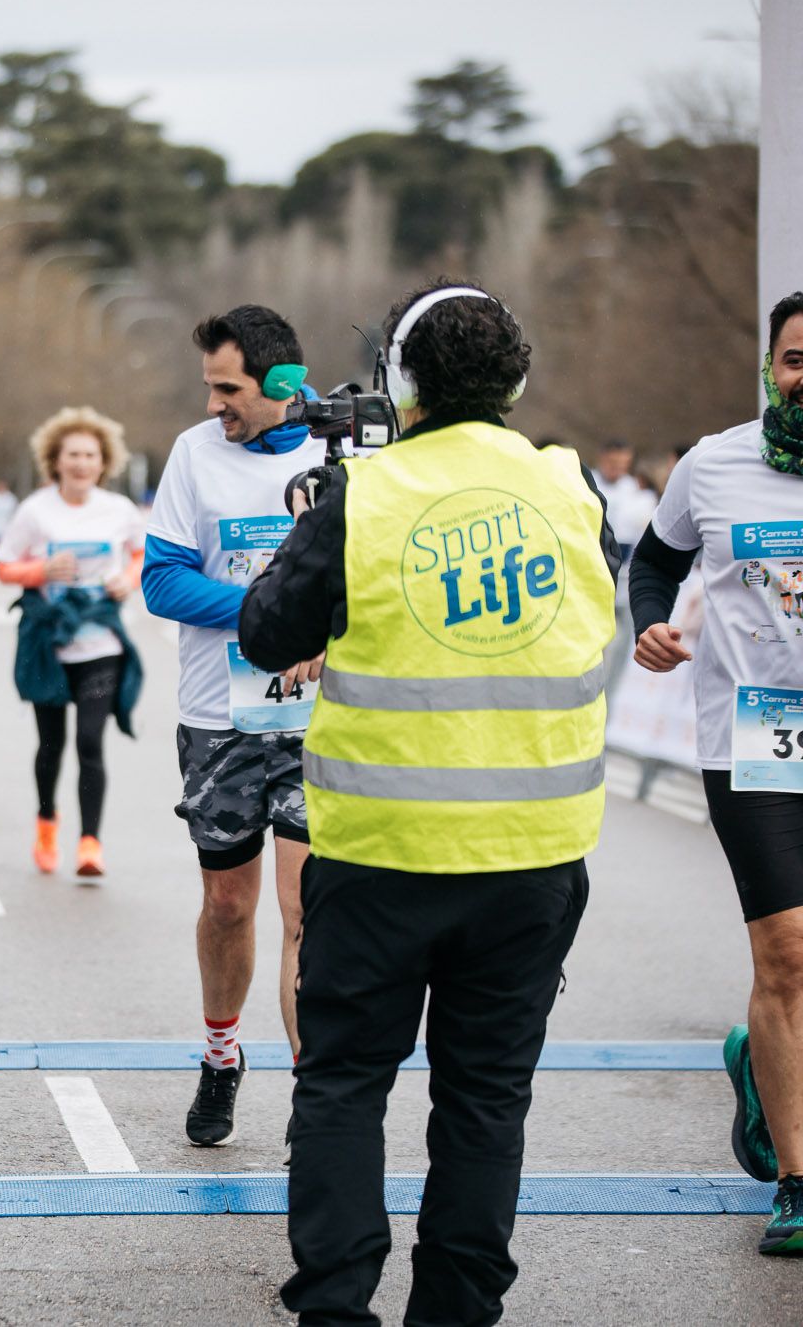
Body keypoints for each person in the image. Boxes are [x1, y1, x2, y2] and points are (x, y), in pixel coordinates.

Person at [240, 281, 618, 1324]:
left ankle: (334, 1305)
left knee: (343, 1085)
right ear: (517, 381)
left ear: (394, 382)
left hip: (380, 851)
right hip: (533, 854)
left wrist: (316, 524)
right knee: (485, 1100)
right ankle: (454, 1310)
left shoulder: (366, 498)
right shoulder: (568, 486)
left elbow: (266, 634)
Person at [628, 290, 803, 1257]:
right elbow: (654, 562)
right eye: (794, 359)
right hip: (755, 742)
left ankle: (757, 1067)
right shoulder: (716, 462)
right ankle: (796, 1180)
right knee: (786, 954)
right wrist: (649, 621)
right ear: (770, 367)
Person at [140, 304, 325, 1152]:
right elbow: (164, 582)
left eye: (229, 388)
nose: (216, 404)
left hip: (321, 721)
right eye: (210, 387)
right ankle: (221, 1053)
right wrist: (271, 616)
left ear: (282, 384)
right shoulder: (193, 453)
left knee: (305, 908)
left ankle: (313, 1090)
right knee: (227, 902)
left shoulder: (345, 452)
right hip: (219, 717)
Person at [0, 407, 144, 879]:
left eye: (90, 455)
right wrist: (39, 572)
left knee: (89, 742)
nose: (81, 463)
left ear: (104, 463)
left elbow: (142, 554)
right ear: (55, 461)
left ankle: (90, 843)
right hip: (49, 645)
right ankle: (46, 824)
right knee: (51, 745)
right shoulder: (36, 510)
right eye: (72, 455)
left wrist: (128, 578)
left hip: (100, 643)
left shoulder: (118, 510)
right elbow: (3, 564)